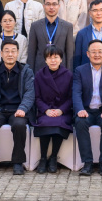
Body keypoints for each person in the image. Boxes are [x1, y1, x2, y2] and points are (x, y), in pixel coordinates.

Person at [0, 39, 36, 176]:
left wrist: (23, 108)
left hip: (18, 110)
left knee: (19, 125)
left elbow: (30, 93)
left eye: (13, 51)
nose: (10, 54)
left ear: (18, 53)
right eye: (6, 51)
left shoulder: (26, 71)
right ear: (1, 53)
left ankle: (17, 162)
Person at [71, 39, 102, 176]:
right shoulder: (80, 70)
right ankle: (87, 163)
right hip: (86, 110)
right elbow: (76, 92)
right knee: (80, 122)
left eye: (100, 52)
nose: (96, 55)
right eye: (93, 52)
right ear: (88, 54)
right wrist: (80, 109)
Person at [33, 46, 73, 174]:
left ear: (61, 59)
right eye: (50, 58)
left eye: (56, 57)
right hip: (45, 110)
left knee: (59, 123)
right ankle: (43, 158)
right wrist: (46, 110)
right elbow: (37, 97)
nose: (53, 60)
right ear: (45, 60)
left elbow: (71, 98)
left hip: (63, 111)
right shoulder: (39, 75)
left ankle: (54, 157)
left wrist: (61, 110)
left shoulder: (68, 75)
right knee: (45, 122)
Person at [27, 0, 75, 72]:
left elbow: (69, 53)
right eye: (48, 4)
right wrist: (30, 74)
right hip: (40, 70)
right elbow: (31, 52)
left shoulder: (67, 26)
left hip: (61, 70)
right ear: (44, 6)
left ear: (59, 6)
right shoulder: (35, 26)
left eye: (54, 4)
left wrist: (69, 73)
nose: (51, 7)